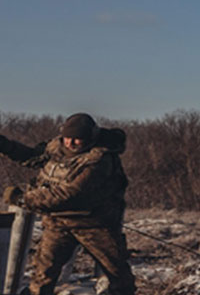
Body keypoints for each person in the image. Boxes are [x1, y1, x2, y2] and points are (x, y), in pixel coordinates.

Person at [0, 113, 136, 295]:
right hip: (58, 222)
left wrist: (22, 199)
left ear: (90, 137)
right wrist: (5, 146)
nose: (70, 143)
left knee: (118, 275)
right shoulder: (56, 147)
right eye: (67, 138)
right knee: (42, 276)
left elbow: (68, 195)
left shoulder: (100, 160)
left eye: (77, 139)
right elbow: (32, 157)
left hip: (95, 224)